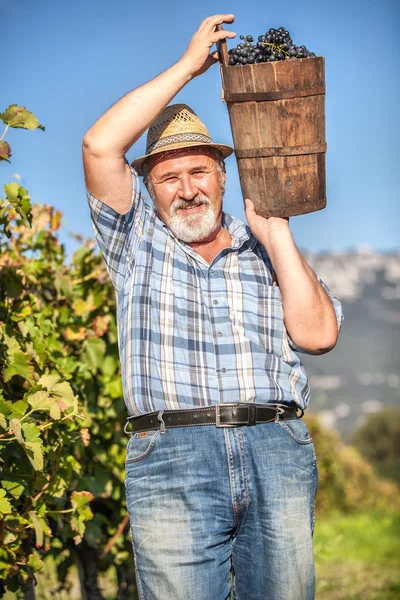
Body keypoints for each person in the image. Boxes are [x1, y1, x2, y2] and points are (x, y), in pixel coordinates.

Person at [82, 13, 343, 600]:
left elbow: (319, 335)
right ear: (148, 188)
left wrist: (277, 235)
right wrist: (188, 67)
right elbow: (99, 145)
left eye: (199, 170)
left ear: (224, 177)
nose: (187, 187)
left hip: (275, 447)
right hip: (173, 454)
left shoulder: (264, 248)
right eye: (168, 176)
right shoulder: (135, 243)